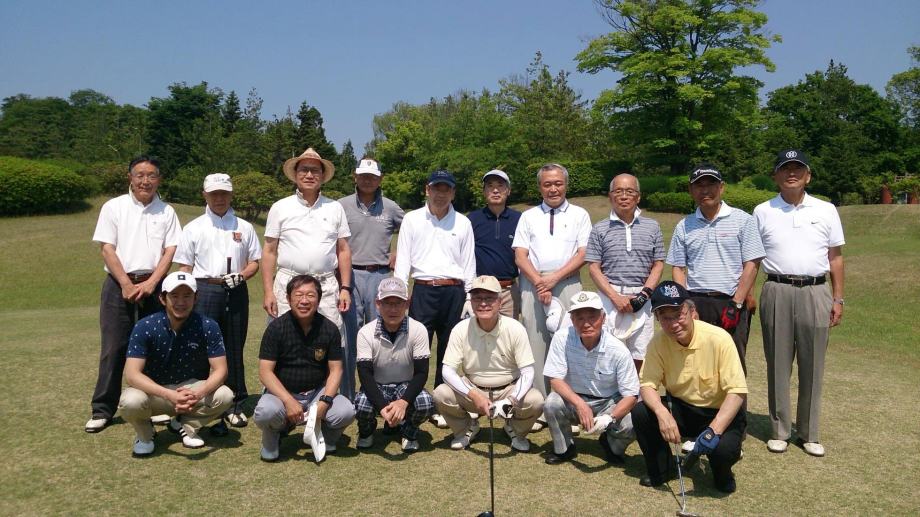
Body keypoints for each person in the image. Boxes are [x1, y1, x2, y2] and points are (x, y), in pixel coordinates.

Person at [754, 149, 845, 458]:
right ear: (776, 176)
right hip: (776, 289)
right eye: (785, 168)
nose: (791, 173)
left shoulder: (826, 209)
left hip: (816, 290)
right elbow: (753, 258)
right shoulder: (762, 211)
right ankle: (780, 430)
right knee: (777, 363)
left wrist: (838, 298)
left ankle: (809, 432)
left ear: (808, 176)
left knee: (813, 364)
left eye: (797, 168)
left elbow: (835, 257)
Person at [86, 156, 181, 433]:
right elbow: (107, 248)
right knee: (114, 347)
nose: (145, 181)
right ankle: (103, 409)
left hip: (155, 286)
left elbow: (171, 250)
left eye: (151, 175)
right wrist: (126, 284)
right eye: (140, 175)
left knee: (157, 346)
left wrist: (153, 282)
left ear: (159, 179)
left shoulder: (167, 211)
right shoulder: (114, 207)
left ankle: (156, 405)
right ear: (130, 177)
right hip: (118, 285)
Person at [631, 281, 747, 493]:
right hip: (682, 408)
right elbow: (647, 385)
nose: (674, 323)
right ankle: (663, 469)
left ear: (692, 312)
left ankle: (723, 473)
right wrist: (662, 414)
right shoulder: (658, 342)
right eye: (665, 317)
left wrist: (713, 430)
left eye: (678, 315)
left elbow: (737, 391)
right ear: (658, 319)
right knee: (641, 412)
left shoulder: (719, 339)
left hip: (719, 412)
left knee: (723, 453)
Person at [174, 173, 261, 434]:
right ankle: (202, 400)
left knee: (234, 344)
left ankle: (235, 402)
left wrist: (242, 275)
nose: (219, 198)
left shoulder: (244, 227)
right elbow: (185, 266)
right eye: (214, 194)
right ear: (205, 195)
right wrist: (187, 295)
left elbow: (254, 262)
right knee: (203, 346)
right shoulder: (194, 227)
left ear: (231, 194)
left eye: (224, 193)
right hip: (204, 288)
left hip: (236, 287)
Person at [118, 272, 234, 456]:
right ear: (162, 298)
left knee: (225, 395)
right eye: (174, 296)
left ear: (196, 298)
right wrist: (169, 395)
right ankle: (145, 434)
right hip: (155, 393)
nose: (181, 302)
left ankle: (185, 425)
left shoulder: (208, 326)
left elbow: (221, 370)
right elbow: (132, 375)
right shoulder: (145, 326)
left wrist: (198, 394)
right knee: (130, 401)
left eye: (187, 296)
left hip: (191, 391)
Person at [512, 163, 592, 428]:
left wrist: (553, 279)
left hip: (567, 282)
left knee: (571, 342)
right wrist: (540, 282)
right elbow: (520, 255)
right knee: (535, 344)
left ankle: (569, 406)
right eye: (547, 184)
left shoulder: (580, 214)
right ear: (540, 187)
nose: (553, 189)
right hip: (533, 283)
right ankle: (540, 406)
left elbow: (583, 253)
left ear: (566, 185)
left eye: (558, 183)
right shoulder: (528, 216)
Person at [394, 170, 475, 427]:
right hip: (423, 290)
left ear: (453, 192)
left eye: (446, 189)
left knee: (448, 351)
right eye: (436, 188)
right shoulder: (412, 219)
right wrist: (399, 293)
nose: (441, 194)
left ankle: (440, 403)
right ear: (427, 190)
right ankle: (412, 401)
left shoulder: (463, 222)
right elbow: (403, 260)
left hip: (454, 291)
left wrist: (470, 296)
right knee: (417, 350)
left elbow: (469, 262)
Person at [665, 164, 765, 373]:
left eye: (711, 184)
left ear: (722, 187)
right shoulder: (684, 225)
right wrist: (685, 304)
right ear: (691, 190)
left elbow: (752, 264)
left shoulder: (743, 220)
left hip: (731, 301)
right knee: (694, 364)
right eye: (698, 185)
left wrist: (737, 303)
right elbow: (678, 268)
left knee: (732, 365)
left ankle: (734, 399)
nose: (705, 190)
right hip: (695, 301)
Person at [433, 276, 545, 452]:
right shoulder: (460, 328)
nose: (483, 303)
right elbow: (447, 371)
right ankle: (466, 429)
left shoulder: (515, 328)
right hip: (473, 388)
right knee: (441, 393)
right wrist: (474, 396)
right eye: (477, 298)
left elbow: (528, 372)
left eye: (489, 298)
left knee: (536, 400)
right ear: (471, 302)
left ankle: (515, 430)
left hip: (509, 388)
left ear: (500, 302)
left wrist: (510, 400)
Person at [253, 275, 356, 462]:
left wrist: (325, 401)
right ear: (288, 298)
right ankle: (274, 436)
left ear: (319, 299)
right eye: (298, 295)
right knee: (265, 412)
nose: (304, 300)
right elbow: (265, 372)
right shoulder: (276, 328)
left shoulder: (329, 329)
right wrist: (288, 401)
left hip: (316, 392)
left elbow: (336, 370)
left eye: (310, 295)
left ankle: (324, 436)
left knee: (346, 411)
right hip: (282, 393)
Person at [261, 147, 352, 337]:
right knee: (284, 339)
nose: (309, 175)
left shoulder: (335, 208)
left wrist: (345, 288)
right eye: (304, 169)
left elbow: (343, 250)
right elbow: (269, 251)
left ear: (322, 175)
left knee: (328, 340)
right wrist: (268, 292)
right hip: (288, 285)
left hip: (325, 286)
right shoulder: (280, 207)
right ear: (295, 174)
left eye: (315, 170)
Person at [543, 291, 639, 465]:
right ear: (572, 320)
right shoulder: (561, 338)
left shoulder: (618, 350)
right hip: (573, 398)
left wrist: (610, 418)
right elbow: (555, 379)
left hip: (608, 402)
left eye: (592, 317)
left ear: (603, 318)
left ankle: (611, 444)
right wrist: (580, 404)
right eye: (579, 318)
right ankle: (564, 448)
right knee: (551, 403)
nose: (586, 323)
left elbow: (631, 395)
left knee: (633, 421)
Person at [339, 158, 405, 400]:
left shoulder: (390, 207)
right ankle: (347, 396)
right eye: (363, 175)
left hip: (380, 276)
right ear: (355, 176)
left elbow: (411, 230)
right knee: (349, 338)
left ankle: (379, 396)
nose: (367, 180)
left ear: (380, 179)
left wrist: (399, 252)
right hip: (349, 277)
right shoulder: (341, 206)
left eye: (373, 176)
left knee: (380, 337)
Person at [585, 173, 664, 372]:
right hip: (609, 297)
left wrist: (644, 295)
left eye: (629, 191)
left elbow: (658, 264)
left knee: (641, 353)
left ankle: (636, 391)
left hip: (642, 297)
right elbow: (593, 267)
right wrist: (615, 297)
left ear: (638, 197)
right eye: (618, 191)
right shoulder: (599, 228)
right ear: (610, 196)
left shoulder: (652, 226)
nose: (624, 196)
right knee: (608, 352)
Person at [353, 277, 434, 453]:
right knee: (361, 404)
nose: (393, 309)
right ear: (378, 304)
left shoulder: (418, 329)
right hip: (377, 385)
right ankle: (366, 431)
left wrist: (403, 402)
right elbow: (365, 375)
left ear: (407, 304)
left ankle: (408, 432)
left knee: (425, 403)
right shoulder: (365, 332)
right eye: (387, 303)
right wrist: (383, 407)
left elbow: (421, 373)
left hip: (405, 385)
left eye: (398, 303)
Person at [466, 169, 522, 318]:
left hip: (508, 290)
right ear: (484, 191)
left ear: (508, 191)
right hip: (480, 289)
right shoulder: (471, 220)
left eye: (500, 186)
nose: (495, 190)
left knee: (509, 331)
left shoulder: (520, 219)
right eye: (490, 186)